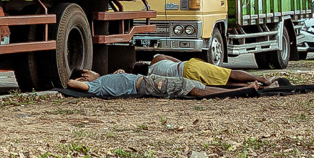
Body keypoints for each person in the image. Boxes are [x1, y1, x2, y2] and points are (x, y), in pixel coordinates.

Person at [66, 69, 258, 99]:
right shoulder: (96, 85)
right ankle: (243, 90)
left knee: (190, 84)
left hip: (149, 82)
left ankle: (242, 89)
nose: (92, 71)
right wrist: (77, 81)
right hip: (150, 84)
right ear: (84, 76)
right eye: (88, 71)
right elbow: (71, 84)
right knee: (191, 89)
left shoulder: (103, 79)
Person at [134, 54, 277, 87]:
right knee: (226, 73)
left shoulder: (149, 80)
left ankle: (248, 86)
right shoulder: (156, 59)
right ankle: (262, 80)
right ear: (143, 64)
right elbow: (174, 60)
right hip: (187, 67)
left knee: (220, 84)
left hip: (184, 80)